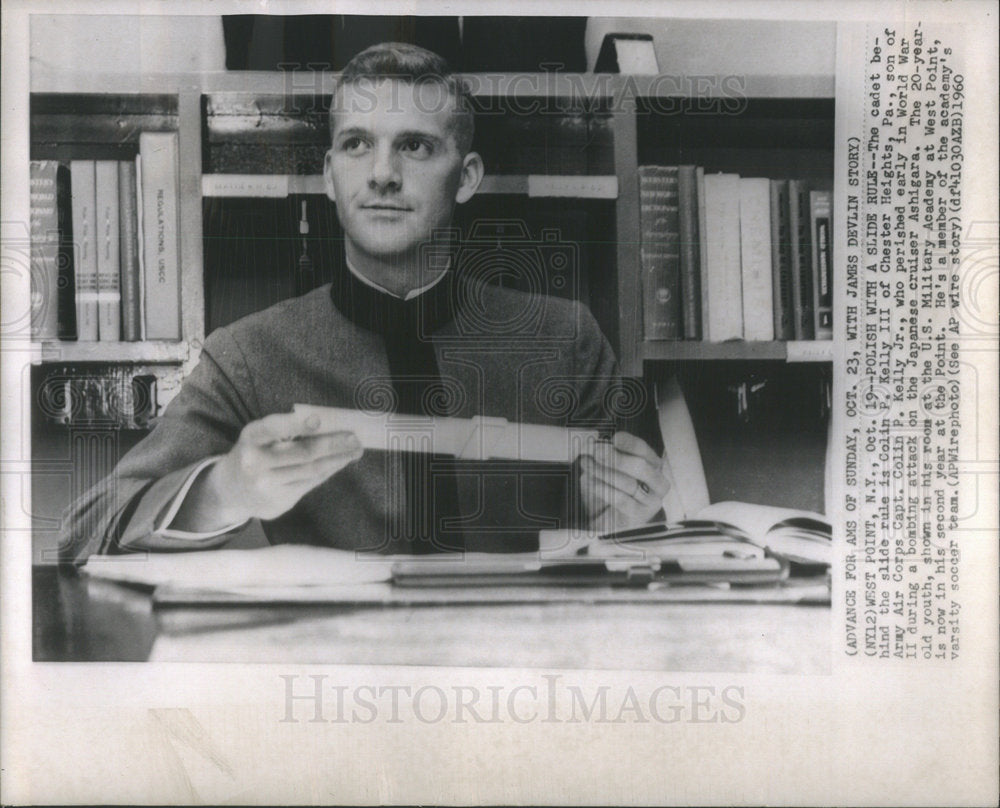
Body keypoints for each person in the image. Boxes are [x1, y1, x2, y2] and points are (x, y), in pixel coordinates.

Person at [61, 42, 670, 562]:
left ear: (466, 176)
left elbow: (645, 540)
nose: (382, 173)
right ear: (330, 175)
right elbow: (85, 532)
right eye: (357, 144)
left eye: (415, 146)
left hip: (517, 659)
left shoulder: (566, 339)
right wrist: (225, 489)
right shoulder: (248, 355)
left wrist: (619, 520)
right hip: (329, 661)